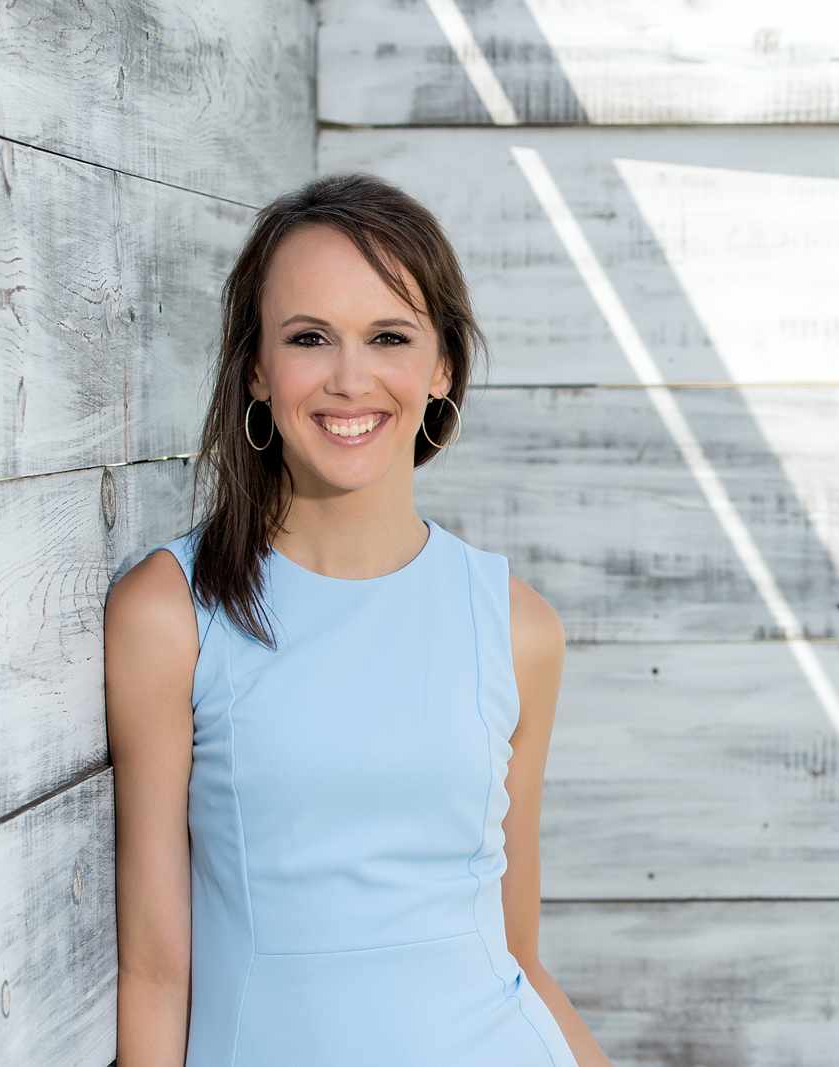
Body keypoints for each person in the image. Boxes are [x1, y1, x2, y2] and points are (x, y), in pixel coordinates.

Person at [103, 173, 610, 1066]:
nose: (349, 378)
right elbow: (154, 972)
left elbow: (517, 953)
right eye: (309, 337)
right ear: (256, 368)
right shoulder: (173, 612)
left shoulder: (517, 627)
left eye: (389, 337)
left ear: (442, 365)